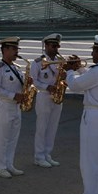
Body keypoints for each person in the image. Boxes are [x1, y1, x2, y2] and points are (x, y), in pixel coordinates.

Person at [65, 35, 98, 194]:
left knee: (89, 159)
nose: (92, 54)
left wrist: (69, 71)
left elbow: (76, 86)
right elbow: (93, 79)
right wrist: (79, 69)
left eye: (93, 51)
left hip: (94, 117)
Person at [0, 37, 27, 179]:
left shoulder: (17, 68)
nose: (16, 52)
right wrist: (13, 96)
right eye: (14, 49)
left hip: (16, 107)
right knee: (3, 138)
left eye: (17, 49)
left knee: (13, 137)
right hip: (4, 106)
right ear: (5, 50)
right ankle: (0, 167)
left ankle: (9, 164)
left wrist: (27, 84)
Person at [30, 33, 63, 168]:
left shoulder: (61, 61)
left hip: (57, 97)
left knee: (52, 127)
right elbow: (33, 81)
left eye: (57, 46)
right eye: (53, 46)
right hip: (43, 96)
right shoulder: (37, 62)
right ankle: (38, 156)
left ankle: (47, 154)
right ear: (46, 46)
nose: (56, 49)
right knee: (42, 127)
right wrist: (46, 86)